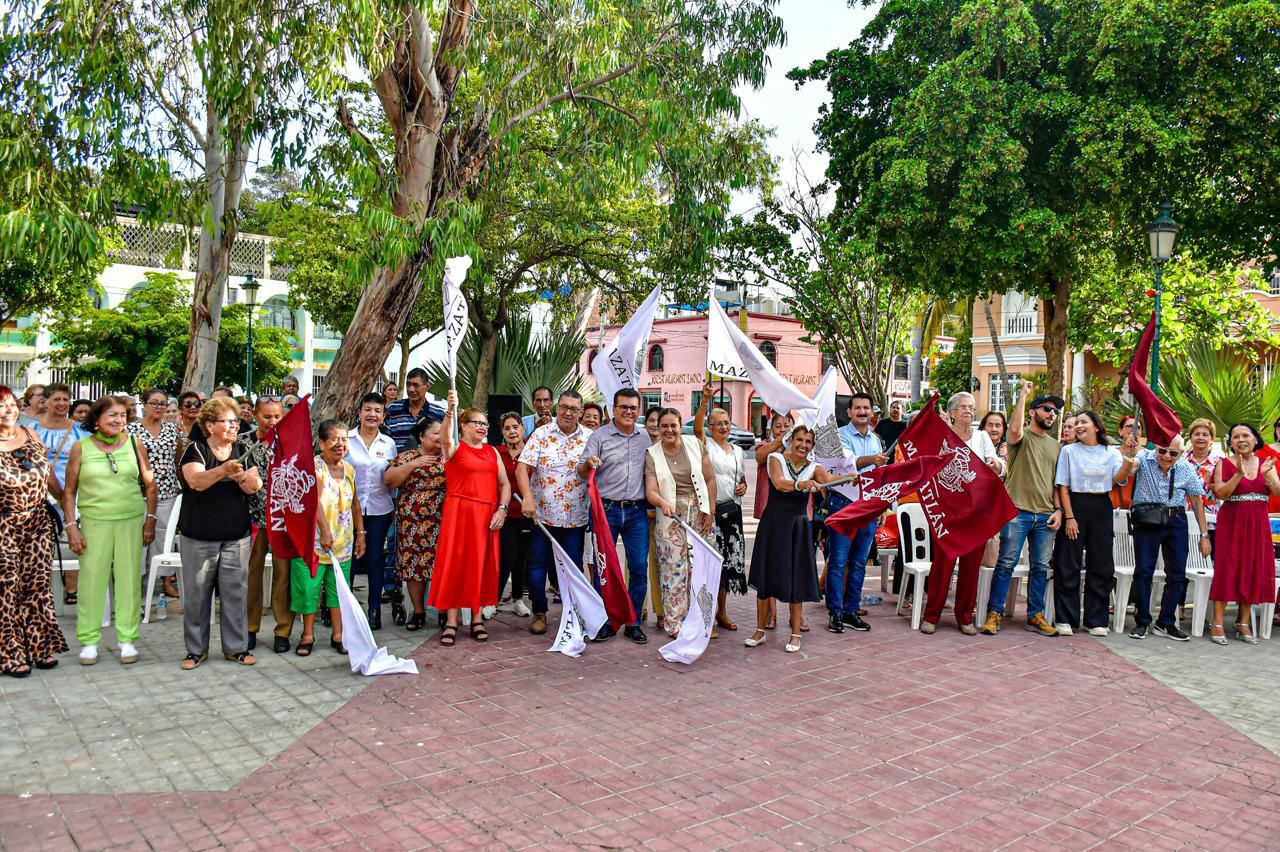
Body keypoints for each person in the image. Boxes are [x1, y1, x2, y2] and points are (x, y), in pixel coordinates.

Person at [62, 396, 158, 666]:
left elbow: (150, 485)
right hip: (94, 522)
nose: (119, 420)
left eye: (123, 415)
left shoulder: (133, 443)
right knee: (92, 581)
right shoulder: (81, 448)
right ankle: (89, 640)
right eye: (112, 415)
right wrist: (72, 527)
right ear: (96, 420)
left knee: (129, 580)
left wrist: (150, 519)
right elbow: (69, 492)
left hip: (130, 520)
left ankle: (127, 638)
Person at [176, 397, 261, 669]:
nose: (234, 426)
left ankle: (236, 648)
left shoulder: (243, 448)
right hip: (199, 535)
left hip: (236, 535)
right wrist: (224, 469)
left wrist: (241, 476)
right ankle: (196, 650)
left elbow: (254, 486)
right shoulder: (196, 449)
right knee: (198, 594)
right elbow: (196, 481)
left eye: (236, 421)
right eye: (227, 421)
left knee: (235, 593)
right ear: (210, 425)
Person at [982, 383, 1064, 637]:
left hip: (1045, 515)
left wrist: (1058, 510)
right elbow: (1015, 429)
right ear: (1033, 412)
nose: (1052, 414)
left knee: (1040, 567)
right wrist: (1023, 396)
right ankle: (994, 614)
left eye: (1055, 412)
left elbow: (1055, 483)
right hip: (1018, 512)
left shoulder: (1056, 446)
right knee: (1005, 563)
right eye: (1047, 409)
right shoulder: (1020, 437)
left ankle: (1034, 615)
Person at [428, 392, 509, 645]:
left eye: (485, 424)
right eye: (477, 423)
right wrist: (450, 410)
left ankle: (476, 618)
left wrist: (502, 509)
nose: (483, 427)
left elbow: (504, 483)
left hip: (486, 514)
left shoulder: (492, 452)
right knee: (455, 563)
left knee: (479, 564)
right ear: (463, 426)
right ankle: (451, 621)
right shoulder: (454, 448)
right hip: (459, 513)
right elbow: (444, 438)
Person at [747, 425, 835, 652]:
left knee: (796, 577)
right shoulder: (775, 458)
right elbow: (778, 483)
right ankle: (759, 630)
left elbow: (831, 479)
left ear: (812, 447)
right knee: (766, 576)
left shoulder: (814, 467)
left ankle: (795, 634)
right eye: (799, 440)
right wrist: (801, 484)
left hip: (797, 528)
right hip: (772, 524)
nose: (803, 445)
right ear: (791, 441)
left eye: (808, 442)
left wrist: (853, 476)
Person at [0, 386, 68, 676]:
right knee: (7, 589)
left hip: (37, 521)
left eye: (11, 404)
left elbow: (49, 476)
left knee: (38, 586)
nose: (9, 410)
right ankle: (10, 652)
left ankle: (40, 645)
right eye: (1, 406)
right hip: (4, 525)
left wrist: (69, 507)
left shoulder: (31, 434)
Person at [921, 392, 1001, 635]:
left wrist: (996, 465)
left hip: (975, 511)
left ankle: (965, 617)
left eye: (972, 407)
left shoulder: (982, 436)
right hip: (948, 511)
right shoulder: (943, 435)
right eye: (963, 407)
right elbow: (930, 464)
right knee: (942, 566)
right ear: (953, 413)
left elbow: (995, 461)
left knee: (970, 567)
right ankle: (932, 616)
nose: (969, 411)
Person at [1054, 411, 1138, 636]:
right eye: (1077, 423)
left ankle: (1096, 619)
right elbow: (1062, 485)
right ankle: (1065, 618)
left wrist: (1128, 458)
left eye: (1084, 422)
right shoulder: (1068, 451)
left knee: (1101, 564)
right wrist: (1070, 517)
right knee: (1068, 562)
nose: (1079, 426)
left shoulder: (1110, 452)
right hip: (1075, 504)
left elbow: (1119, 479)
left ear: (1097, 427)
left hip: (1102, 504)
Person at [517, 390, 592, 635]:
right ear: (556, 408)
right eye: (564, 407)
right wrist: (527, 498)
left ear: (581, 412)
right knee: (537, 565)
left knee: (573, 569)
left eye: (573, 408)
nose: (568, 412)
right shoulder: (541, 434)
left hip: (576, 518)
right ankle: (540, 612)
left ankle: (574, 613)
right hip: (542, 517)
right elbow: (522, 468)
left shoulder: (590, 438)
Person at [581, 388, 652, 643]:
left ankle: (632, 621)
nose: (628, 412)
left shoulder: (645, 437)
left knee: (638, 568)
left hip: (636, 512)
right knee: (604, 569)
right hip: (606, 511)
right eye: (623, 407)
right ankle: (607, 620)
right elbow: (581, 470)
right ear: (613, 409)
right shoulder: (599, 436)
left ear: (638, 410)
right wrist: (588, 464)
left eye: (633, 408)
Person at [1127, 434, 1212, 641]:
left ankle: (1165, 622)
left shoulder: (1185, 468)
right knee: (1144, 570)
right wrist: (1128, 454)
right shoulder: (1144, 457)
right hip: (1148, 518)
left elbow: (1197, 501)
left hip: (1176, 520)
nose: (1166, 456)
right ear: (1155, 448)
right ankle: (1142, 621)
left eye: (1173, 453)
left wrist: (1204, 535)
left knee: (1176, 574)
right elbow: (1129, 470)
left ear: (1181, 453)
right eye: (1162, 451)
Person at [293, 420, 364, 657]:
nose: (339, 444)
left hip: (342, 542)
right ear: (321, 443)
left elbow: (355, 504)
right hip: (314, 541)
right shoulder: (314, 467)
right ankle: (308, 635)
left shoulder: (349, 469)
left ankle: (338, 635)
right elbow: (314, 502)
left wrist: (361, 535)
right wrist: (323, 531)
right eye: (333, 439)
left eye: (344, 439)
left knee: (338, 591)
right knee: (309, 589)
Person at [644, 408, 716, 639]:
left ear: (680, 424)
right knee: (673, 572)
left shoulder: (695, 444)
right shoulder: (652, 453)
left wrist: (710, 510)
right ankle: (676, 625)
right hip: (670, 517)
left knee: (701, 569)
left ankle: (703, 620)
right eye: (663, 426)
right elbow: (651, 490)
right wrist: (662, 503)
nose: (668, 430)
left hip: (700, 512)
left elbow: (709, 478)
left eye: (673, 425)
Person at [1208, 424, 1280, 645]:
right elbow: (1221, 493)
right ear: (1230, 442)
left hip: (1258, 523)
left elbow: (1277, 492)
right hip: (1232, 522)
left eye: (1245, 435)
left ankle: (1243, 622)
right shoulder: (1224, 464)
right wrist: (1239, 474)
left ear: (1255, 439)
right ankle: (1217, 622)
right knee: (1227, 568)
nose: (1241, 439)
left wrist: (1269, 476)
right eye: (1235, 436)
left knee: (1251, 568)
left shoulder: (1265, 463)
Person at [824, 393, 887, 635]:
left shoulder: (876, 439)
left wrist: (882, 506)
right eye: (858, 408)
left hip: (869, 506)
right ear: (849, 412)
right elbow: (849, 464)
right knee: (838, 562)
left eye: (866, 408)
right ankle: (834, 613)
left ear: (872, 412)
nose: (862, 412)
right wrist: (873, 460)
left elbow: (880, 477)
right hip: (844, 504)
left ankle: (851, 610)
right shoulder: (839, 436)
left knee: (860, 562)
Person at [238, 398, 293, 652]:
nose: (272, 421)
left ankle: (283, 630)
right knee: (252, 574)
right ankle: (249, 628)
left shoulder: (290, 441)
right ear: (256, 416)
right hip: (252, 516)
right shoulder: (243, 442)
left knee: (283, 575)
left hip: (283, 518)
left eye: (277, 416)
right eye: (267, 416)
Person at [384, 417, 447, 630]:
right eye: (436, 433)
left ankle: (443, 610)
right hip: (412, 523)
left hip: (442, 520)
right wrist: (413, 464)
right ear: (421, 436)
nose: (440, 437)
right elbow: (389, 480)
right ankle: (418, 612)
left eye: (442, 432)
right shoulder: (407, 457)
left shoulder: (449, 457)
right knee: (413, 568)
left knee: (441, 566)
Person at [694, 384, 747, 632]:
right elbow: (696, 429)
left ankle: (721, 613)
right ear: (710, 427)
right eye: (718, 424)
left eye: (726, 422)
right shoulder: (706, 445)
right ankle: (705, 615)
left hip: (733, 514)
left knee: (727, 566)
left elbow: (741, 479)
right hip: (711, 515)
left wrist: (743, 486)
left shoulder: (737, 451)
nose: (724, 427)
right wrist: (705, 401)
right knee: (709, 566)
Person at [348, 393, 397, 630]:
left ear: (383, 416)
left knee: (376, 559)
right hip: (345, 511)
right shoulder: (346, 439)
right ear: (359, 412)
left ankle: (374, 609)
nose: (372, 415)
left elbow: (394, 476)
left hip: (379, 509)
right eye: (368, 409)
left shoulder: (389, 444)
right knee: (348, 560)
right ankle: (341, 609)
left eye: (377, 411)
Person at [128, 389, 183, 602]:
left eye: (163, 404)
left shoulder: (172, 429)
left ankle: (166, 581)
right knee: (139, 539)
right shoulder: (131, 429)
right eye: (154, 403)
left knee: (163, 537)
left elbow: (178, 459)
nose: (159, 407)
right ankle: (136, 582)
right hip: (138, 492)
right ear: (144, 404)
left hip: (167, 491)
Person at [497, 412, 533, 617]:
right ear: (502, 432)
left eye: (515, 427)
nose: (512, 431)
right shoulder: (496, 453)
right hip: (503, 514)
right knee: (504, 557)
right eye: (507, 428)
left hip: (525, 514)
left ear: (523, 429)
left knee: (522, 559)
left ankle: (519, 599)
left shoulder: (531, 452)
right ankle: (494, 599)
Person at [385, 368, 444, 451]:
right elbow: (384, 440)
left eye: (416, 385)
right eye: (408, 385)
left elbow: (444, 442)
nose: (411, 389)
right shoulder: (393, 408)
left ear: (427, 386)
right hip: (398, 462)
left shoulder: (438, 412)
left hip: (430, 463)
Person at [1185, 419, 1223, 522]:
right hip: (1185, 518)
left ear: (1212, 438)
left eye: (1205, 434)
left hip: (1212, 519)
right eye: (1197, 434)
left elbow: (1224, 493)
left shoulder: (1220, 462)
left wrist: (1212, 483)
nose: (1200, 437)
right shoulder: (1181, 461)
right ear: (1191, 437)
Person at [1110, 414, 1142, 509]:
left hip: (1140, 509)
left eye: (1138, 427)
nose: (1134, 429)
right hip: (1115, 506)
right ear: (1120, 431)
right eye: (1129, 426)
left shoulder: (1148, 455)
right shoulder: (1111, 453)